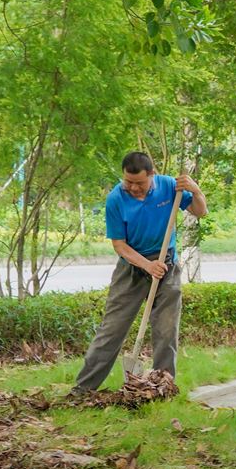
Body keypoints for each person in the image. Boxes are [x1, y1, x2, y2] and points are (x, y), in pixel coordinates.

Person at [72, 151, 207, 394]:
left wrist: (196, 191)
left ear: (152, 176)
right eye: (128, 181)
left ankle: (161, 386)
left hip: (166, 263)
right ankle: (83, 389)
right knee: (112, 329)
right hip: (132, 266)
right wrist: (146, 265)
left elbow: (200, 211)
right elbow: (119, 245)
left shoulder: (168, 187)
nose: (133, 187)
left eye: (139, 183)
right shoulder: (116, 199)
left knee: (166, 330)